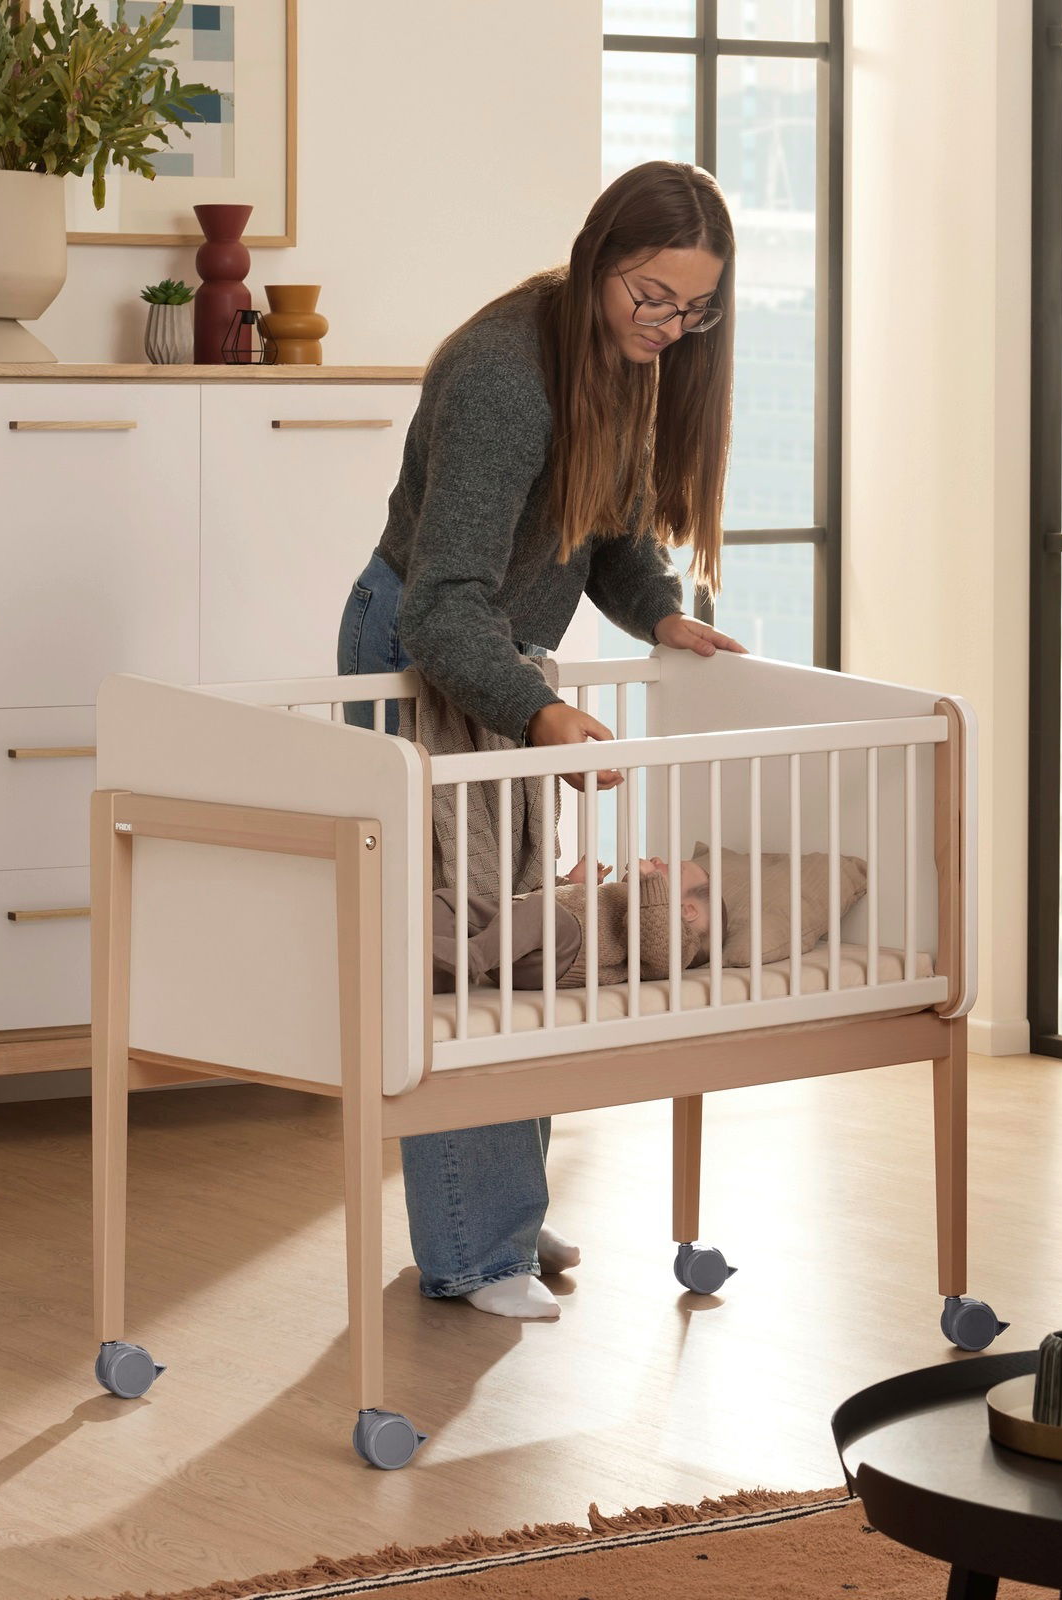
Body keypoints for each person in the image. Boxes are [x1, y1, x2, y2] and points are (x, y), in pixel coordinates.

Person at [336, 160, 746, 1322]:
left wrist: (659, 609)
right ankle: (474, 1246)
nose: (667, 327)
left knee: (520, 939)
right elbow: (440, 604)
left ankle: (498, 1208)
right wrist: (543, 710)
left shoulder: (613, 361)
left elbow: (602, 534)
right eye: (650, 296)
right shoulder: (506, 378)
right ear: (596, 255)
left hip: (504, 664)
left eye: (693, 307)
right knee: (456, 956)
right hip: (428, 655)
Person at [430, 856, 731, 993]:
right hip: (526, 936)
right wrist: (572, 884)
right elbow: (558, 903)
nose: (658, 860)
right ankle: (437, 974)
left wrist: (650, 881)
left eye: (672, 869)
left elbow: (657, 947)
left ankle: (472, 957)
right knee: (448, 901)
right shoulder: (617, 894)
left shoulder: (678, 942)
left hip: (565, 957)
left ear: (687, 910)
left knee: (537, 911)